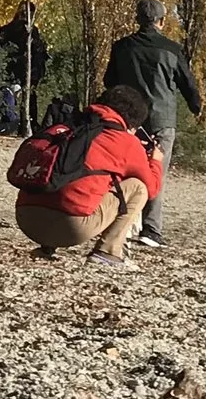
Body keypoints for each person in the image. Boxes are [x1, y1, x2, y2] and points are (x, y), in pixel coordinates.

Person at [11, 83, 164, 266]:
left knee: (80, 178)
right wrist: (155, 160)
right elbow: (152, 189)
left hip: (27, 220)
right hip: (71, 228)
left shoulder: (66, 126)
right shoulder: (124, 141)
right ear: (132, 123)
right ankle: (108, 252)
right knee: (138, 188)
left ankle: (46, 248)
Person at [97, 0, 199, 250]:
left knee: (124, 170)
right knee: (156, 171)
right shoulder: (172, 50)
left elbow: (109, 80)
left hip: (128, 118)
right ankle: (151, 230)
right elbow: (187, 83)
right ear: (162, 21)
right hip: (161, 119)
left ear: (137, 19)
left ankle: (120, 221)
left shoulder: (122, 47)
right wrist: (196, 106)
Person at [0, 1, 50, 134]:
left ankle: (18, 123)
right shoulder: (29, 31)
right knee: (26, 96)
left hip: (12, 70)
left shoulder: (7, 30)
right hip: (20, 70)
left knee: (12, 96)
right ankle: (25, 123)